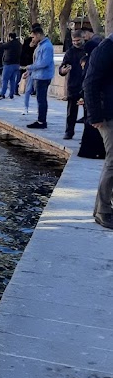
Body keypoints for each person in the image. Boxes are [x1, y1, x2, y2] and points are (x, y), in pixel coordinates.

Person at [82, 29, 113, 229]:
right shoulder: (106, 48)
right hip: (108, 114)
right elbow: (90, 82)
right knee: (112, 162)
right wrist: (94, 115)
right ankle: (103, 211)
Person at [58, 30, 87, 139]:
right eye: (74, 41)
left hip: (85, 84)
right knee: (71, 111)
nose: (76, 43)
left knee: (88, 112)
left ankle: (86, 136)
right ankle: (69, 132)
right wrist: (63, 71)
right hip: (73, 85)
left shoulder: (88, 50)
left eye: (78, 40)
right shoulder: (70, 52)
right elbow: (62, 67)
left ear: (83, 38)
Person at [26, 24, 54, 129]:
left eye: (33, 37)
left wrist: (30, 67)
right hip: (38, 75)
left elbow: (44, 63)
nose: (32, 39)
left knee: (41, 99)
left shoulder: (47, 46)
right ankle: (40, 120)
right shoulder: (41, 45)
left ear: (38, 35)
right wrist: (30, 72)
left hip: (43, 76)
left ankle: (42, 121)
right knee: (39, 99)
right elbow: (37, 60)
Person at [0, 32, 22, 99]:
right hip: (17, 64)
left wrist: (1, 43)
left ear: (10, 37)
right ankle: (11, 94)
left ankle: (2, 94)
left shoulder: (10, 43)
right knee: (12, 80)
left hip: (9, 64)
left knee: (5, 80)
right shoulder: (19, 44)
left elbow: (1, 47)